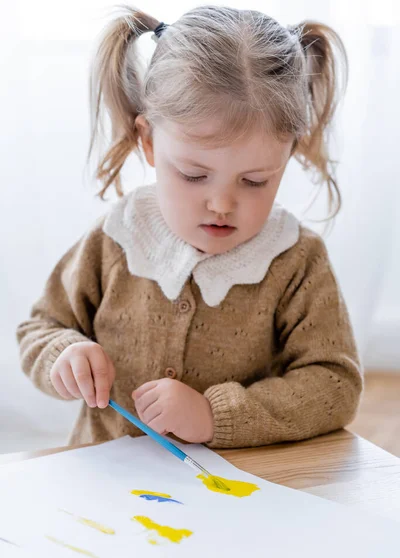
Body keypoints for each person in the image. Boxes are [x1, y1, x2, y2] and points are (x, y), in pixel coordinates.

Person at [17, 5, 362, 448]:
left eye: (255, 181)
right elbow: (41, 326)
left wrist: (216, 416)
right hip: (103, 492)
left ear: (289, 153)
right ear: (149, 142)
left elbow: (336, 385)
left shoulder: (294, 259)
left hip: (236, 497)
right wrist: (62, 356)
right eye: (194, 175)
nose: (221, 204)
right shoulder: (118, 237)